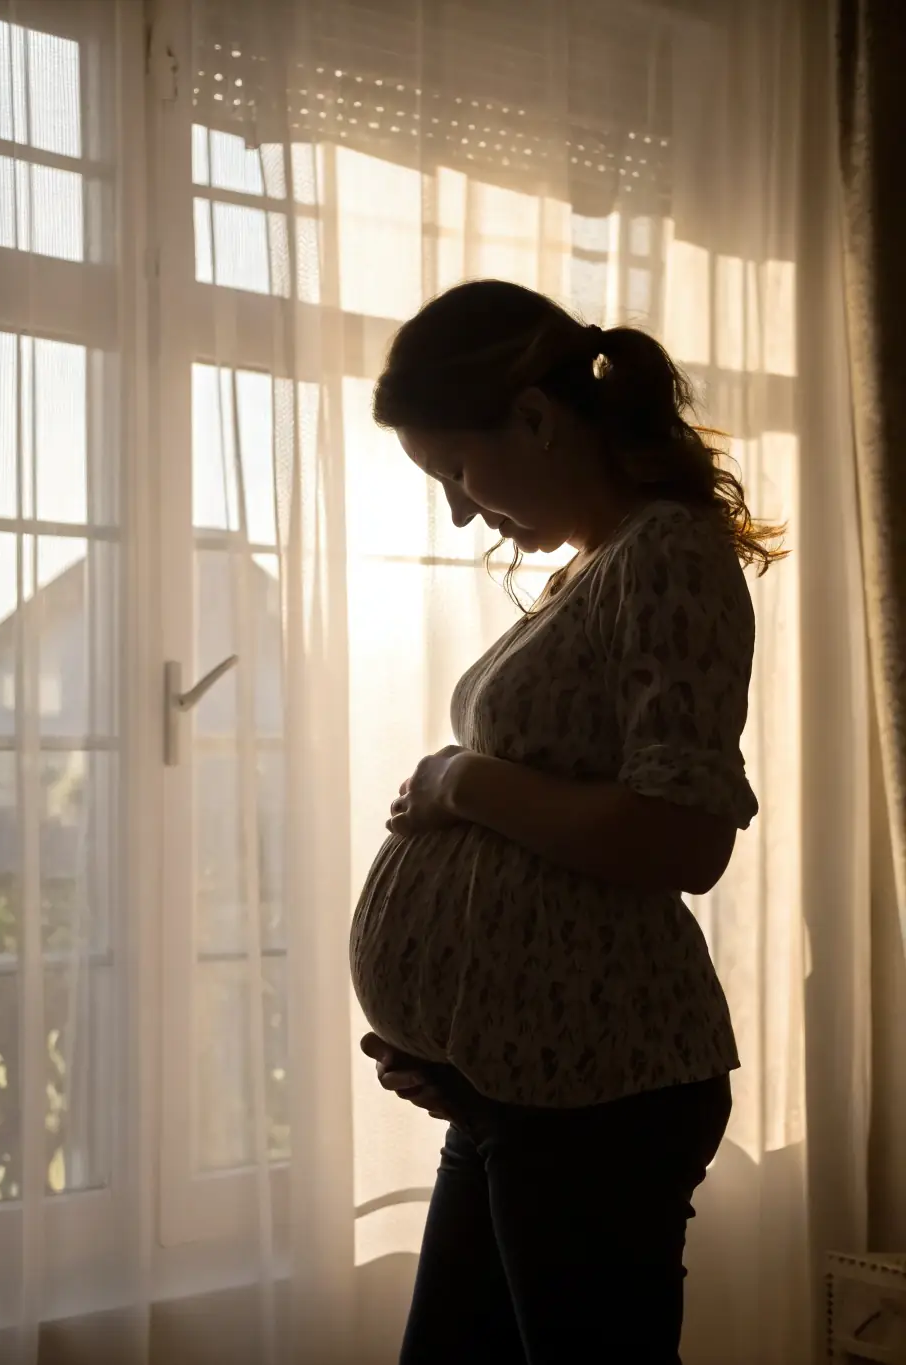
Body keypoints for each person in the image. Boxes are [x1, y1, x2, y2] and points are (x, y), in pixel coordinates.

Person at [348, 279, 785, 1365]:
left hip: (605, 1095)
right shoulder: (596, 567)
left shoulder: (666, 552)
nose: (459, 511)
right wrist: (450, 1041)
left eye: (456, 469)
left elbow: (683, 836)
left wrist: (463, 783)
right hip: (530, 1091)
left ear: (537, 420)